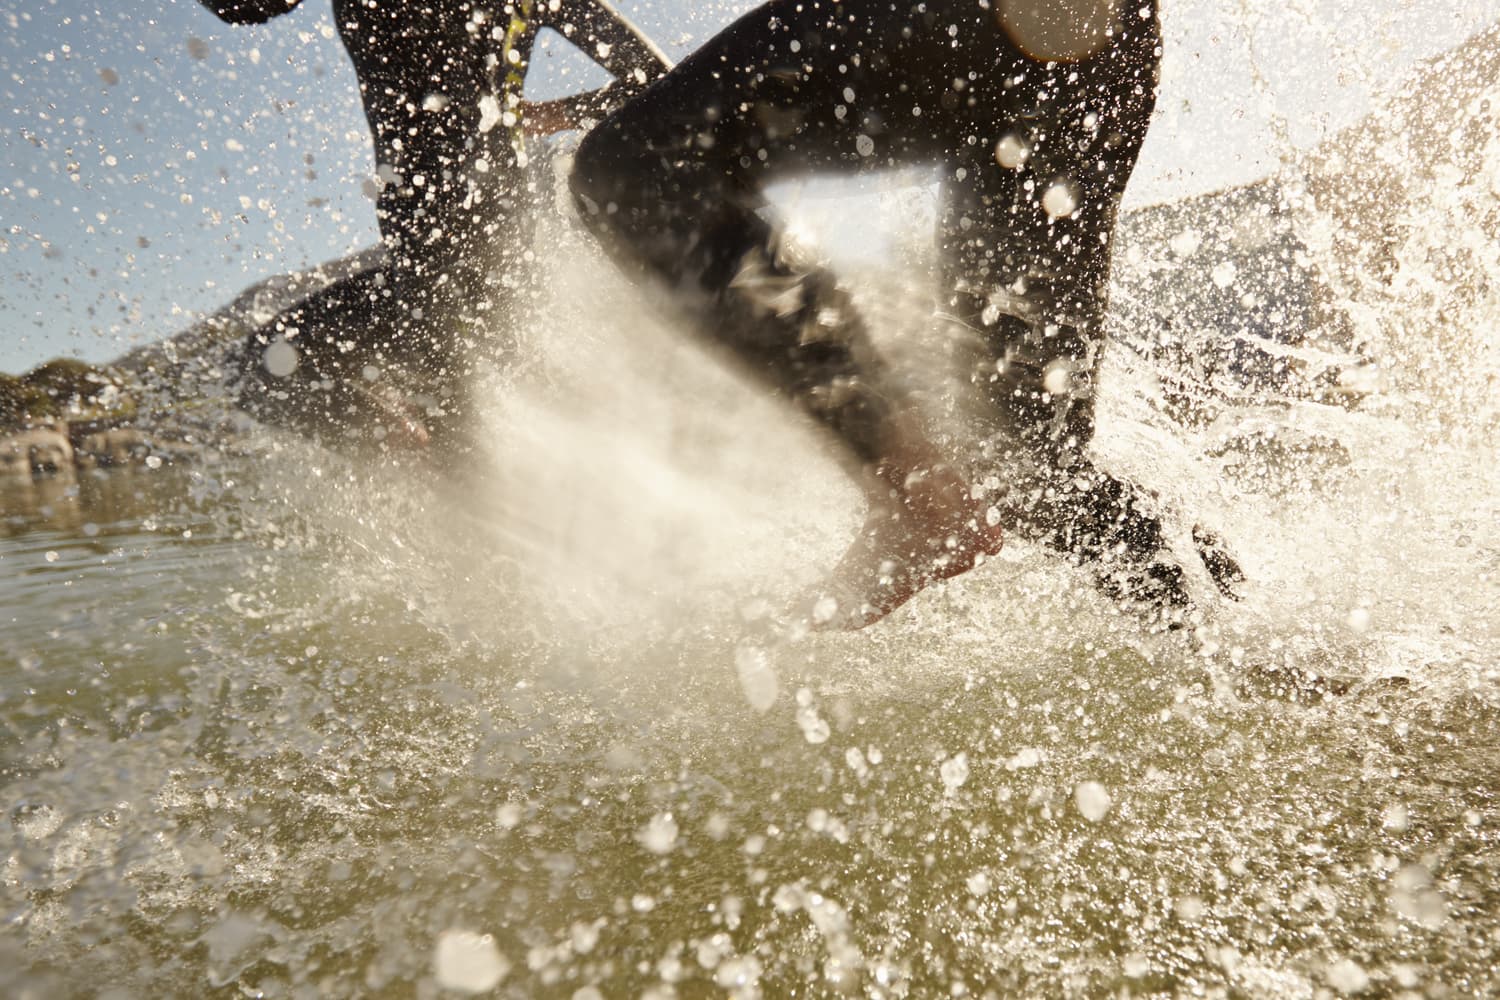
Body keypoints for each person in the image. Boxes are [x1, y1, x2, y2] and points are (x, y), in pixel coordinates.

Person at [570, 0, 1242, 628]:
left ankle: (918, 496)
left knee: (635, 170)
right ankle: (1243, 639)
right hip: (1094, 55)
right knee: (1028, 468)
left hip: (1008, 31)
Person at [198, 0, 669, 461]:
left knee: (261, 372)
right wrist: (534, 117)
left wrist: (526, 117)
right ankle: (443, 468)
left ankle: (424, 458)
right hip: (502, 259)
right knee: (462, 435)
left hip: (438, 264)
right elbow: (658, 84)